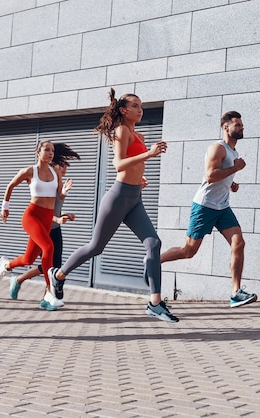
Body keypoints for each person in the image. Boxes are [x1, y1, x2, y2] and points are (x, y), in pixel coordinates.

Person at [48, 88, 178, 323]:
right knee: (96, 247)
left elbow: (132, 165)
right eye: (135, 106)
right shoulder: (121, 131)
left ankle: (155, 303)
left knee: (154, 243)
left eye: (141, 106)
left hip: (134, 197)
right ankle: (58, 274)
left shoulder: (139, 136)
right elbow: (119, 164)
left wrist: (139, 178)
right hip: (118, 197)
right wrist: (148, 156)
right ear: (123, 110)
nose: (140, 110)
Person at [160, 110, 258, 308]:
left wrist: (232, 183)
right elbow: (210, 176)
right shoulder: (217, 148)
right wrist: (235, 169)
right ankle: (154, 260)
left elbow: (221, 176)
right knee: (188, 251)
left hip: (222, 207)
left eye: (242, 125)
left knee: (238, 243)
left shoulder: (233, 153)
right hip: (205, 206)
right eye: (237, 125)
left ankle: (235, 293)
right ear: (226, 127)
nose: (241, 128)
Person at [0, 142, 79, 311]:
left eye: (52, 151)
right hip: (32, 216)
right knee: (49, 248)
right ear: (38, 152)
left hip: (47, 218)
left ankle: (7, 265)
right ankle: (49, 294)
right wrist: (5, 207)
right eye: (47, 150)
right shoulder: (29, 171)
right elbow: (10, 185)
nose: (50, 153)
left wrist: (65, 192)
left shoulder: (55, 172)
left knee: (29, 259)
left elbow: (58, 194)